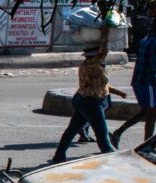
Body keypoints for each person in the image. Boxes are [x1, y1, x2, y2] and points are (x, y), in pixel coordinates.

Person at [52, 26, 129, 163]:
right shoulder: (94, 65)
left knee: (72, 130)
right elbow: (104, 51)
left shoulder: (90, 65)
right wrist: (105, 34)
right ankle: (111, 158)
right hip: (91, 102)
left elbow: (100, 85)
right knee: (101, 133)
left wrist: (119, 92)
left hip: (83, 100)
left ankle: (59, 155)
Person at [110, 16, 156, 147]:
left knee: (145, 112)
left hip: (139, 81)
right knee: (152, 114)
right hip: (149, 83)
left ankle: (118, 133)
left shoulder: (145, 40)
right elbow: (154, 67)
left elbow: (150, 64)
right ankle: (147, 144)